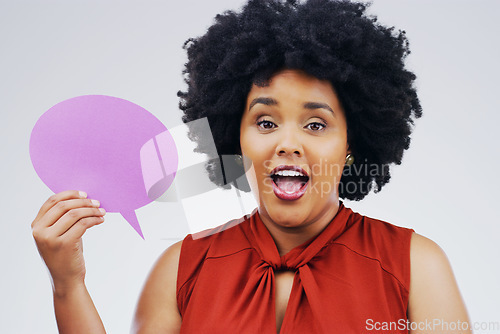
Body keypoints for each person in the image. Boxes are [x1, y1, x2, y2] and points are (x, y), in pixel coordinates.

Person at [31, 0, 471, 333]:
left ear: (351, 145)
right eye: (265, 121)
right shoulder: (182, 267)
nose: (288, 143)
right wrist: (68, 286)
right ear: (235, 138)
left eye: (316, 124)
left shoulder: (416, 266)